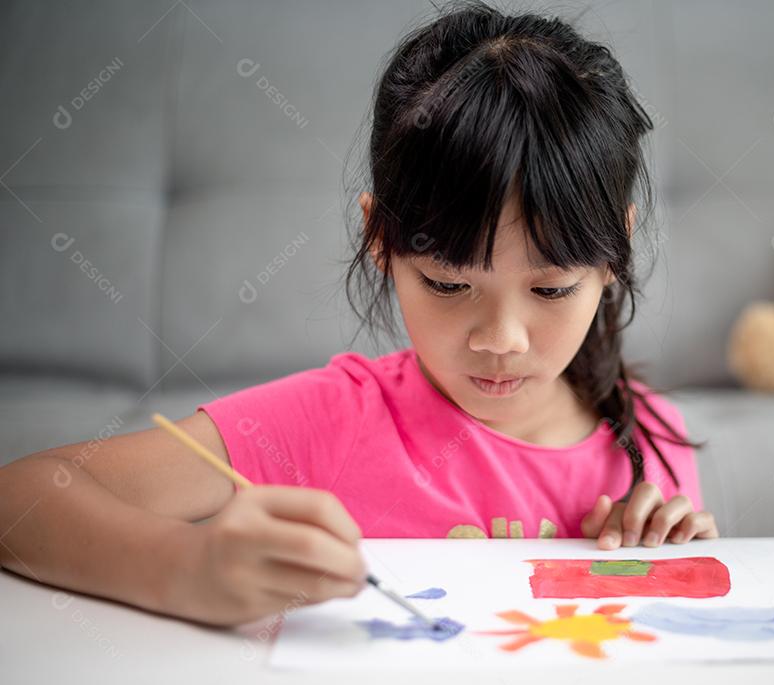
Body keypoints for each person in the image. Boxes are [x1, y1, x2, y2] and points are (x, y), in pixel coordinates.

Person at [0, 1, 717, 627]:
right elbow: (19, 499)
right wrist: (186, 568)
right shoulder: (335, 421)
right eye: (445, 284)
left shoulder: (650, 442)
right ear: (380, 240)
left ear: (614, 250)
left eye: (552, 290)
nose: (500, 340)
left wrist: (674, 561)